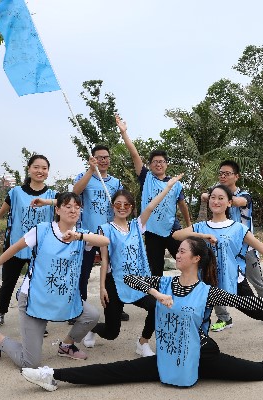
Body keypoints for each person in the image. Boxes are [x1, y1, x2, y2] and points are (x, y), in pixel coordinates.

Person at [20, 236, 263, 391]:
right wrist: (156, 293)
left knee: (259, 371)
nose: (178, 253)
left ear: (196, 259)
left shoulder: (208, 292)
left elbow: (250, 304)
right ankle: (52, 375)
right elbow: (129, 279)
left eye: (183, 251)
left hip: (203, 355)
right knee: (116, 371)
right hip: (169, 355)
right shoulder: (165, 282)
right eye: (179, 250)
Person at [0, 192, 109, 367]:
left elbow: (105, 241)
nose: (73, 210)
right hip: (35, 299)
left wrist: (78, 236)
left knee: (91, 315)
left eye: (77, 207)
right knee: (30, 363)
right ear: (57, 210)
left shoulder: (82, 235)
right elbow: (16, 247)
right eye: (68, 206)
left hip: (63, 299)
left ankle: (66, 345)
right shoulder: (42, 230)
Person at [173, 184, 263, 346]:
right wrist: (201, 236)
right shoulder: (201, 227)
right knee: (198, 309)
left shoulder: (238, 228)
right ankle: (194, 343)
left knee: (255, 310)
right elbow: (176, 235)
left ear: (229, 203)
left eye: (221, 198)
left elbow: (262, 248)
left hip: (233, 279)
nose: (216, 201)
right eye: (213, 197)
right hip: (207, 279)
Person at [82, 174, 184, 357]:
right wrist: (102, 287)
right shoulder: (105, 229)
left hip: (138, 281)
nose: (122, 208)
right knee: (112, 333)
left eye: (126, 205)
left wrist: (168, 187)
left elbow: (151, 206)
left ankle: (142, 342)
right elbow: (105, 260)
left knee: (157, 306)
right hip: (115, 283)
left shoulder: (137, 226)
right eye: (118, 204)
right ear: (112, 206)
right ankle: (93, 329)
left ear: (131, 207)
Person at [0, 154, 56, 331]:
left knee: (38, 284)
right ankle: (0, 314)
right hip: (15, 245)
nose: (40, 171)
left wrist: (46, 202)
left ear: (48, 172)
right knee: (8, 282)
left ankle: (38, 319)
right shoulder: (16, 193)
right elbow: (2, 211)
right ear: (29, 169)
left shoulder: (52, 195)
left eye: (44, 168)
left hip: (40, 248)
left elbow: (67, 202)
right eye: (36, 167)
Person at [201, 160, 263, 332]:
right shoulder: (216, 191)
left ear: (236, 176)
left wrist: (215, 196)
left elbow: (238, 201)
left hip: (245, 249)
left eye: (227, 173)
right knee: (215, 282)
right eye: (221, 173)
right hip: (221, 249)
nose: (223, 176)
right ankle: (224, 318)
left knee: (258, 283)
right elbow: (204, 196)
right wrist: (211, 195)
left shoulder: (245, 195)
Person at [116, 114, 192, 277]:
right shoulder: (146, 178)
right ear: (150, 165)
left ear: (167, 164)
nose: (158, 164)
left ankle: (189, 289)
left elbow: (182, 205)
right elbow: (134, 154)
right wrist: (124, 133)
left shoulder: (175, 183)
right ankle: (157, 293)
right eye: (155, 161)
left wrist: (189, 226)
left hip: (172, 229)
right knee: (155, 271)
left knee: (187, 263)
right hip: (152, 232)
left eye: (162, 161)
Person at [72, 146, 126, 323]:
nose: (103, 160)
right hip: (87, 234)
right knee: (83, 273)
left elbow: (122, 204)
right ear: (92, 159)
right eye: (99, 157)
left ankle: (115, 307)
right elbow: (74, 193)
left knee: (113, 272)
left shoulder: (116, 183)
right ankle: (78, 309)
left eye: (106, 157)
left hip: (108, 234)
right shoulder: (84, 177)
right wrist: (90, 170)